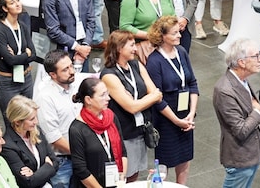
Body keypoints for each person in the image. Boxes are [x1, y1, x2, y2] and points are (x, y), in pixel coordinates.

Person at [100, 30, 162, 182]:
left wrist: (139, 100)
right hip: (125, 132)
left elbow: (157, 94)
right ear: (120, 48)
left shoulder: (136, 64)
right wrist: (147, 99)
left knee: (135, 173)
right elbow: (131, 107)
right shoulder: (109, 74)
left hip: (141, 129)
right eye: (132, 45)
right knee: (124, 175)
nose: (136, 49)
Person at [146, 16, 199, 185]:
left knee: (185, 160)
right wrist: (176, 121)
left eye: (179, 32)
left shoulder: (181, 52)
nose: (179, 36)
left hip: (185, 115)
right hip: (166, 120)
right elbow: (157, 99)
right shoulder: (154, 61)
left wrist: (191, 114)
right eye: (174, 33)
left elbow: (192, 83)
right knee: (164, 163)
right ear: (162, 36)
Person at [213, 38, 260, 188]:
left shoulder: (242, 80)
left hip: (251, 153)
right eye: (256, 56)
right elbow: (240, 130)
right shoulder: (224, 90)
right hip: (240, 157)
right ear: (242, 62)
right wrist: (257, 112)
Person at [36, 49, 83, 188]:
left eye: (71, 66)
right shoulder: (45, 98)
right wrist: (82, 153)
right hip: (62, 161)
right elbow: (54, 138)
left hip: (80, 156)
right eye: (65, 69)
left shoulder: (75, 86)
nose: (72, 71)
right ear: (53, 74)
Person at [69, 77, 128, 187]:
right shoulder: (77, 129)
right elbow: (81, 169)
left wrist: (121, 179)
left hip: (115, 182)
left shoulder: (111, 117)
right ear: (88, 100)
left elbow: (123, 151)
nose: (108, 98)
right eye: (102, 95)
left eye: (107, 93)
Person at [41, 0, 95, 71]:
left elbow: (91, 19)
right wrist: (77, 47)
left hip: (83, 49)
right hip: (63, 50)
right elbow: (53, 30)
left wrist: (84, 46)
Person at [0, 0, 37, 118]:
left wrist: (18, 57)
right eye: (12, 2)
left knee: (28, 118)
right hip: (8, 82)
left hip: (26, 78)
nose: (17, 4)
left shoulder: (23, 26)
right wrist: (25, 55)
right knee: (11, 120)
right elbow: (10, 60)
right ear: (5, 8)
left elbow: (34, 54)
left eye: (17, 0)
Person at [1, 95, 58, 188]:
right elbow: (28, 182)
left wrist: (35, 174)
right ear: (17, 122)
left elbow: (55, 161)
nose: (36, 122)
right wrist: (48, 165)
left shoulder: (36, 131)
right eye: (32, 119)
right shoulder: (7, 145)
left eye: (36, 117)